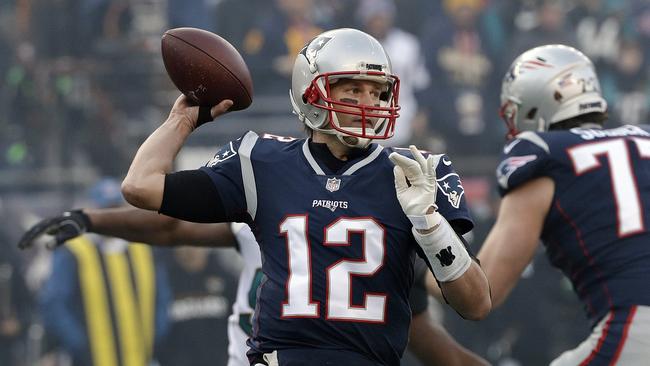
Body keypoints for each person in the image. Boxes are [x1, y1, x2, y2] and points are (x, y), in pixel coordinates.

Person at [120, 27, 490, 365]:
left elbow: (475, 304)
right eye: (353, 90)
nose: (369, 103)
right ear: (310, 91)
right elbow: (141, 186)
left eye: (378, 92)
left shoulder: (416, 173)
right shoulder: (260, 161)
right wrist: (182, 121)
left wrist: (430, 225)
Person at [19, 206, 490, 366]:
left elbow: (440, 351)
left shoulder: (379, 246)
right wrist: (92, 220)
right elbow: (174, 226)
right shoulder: (264, 217)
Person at [475, 44, 650, 365]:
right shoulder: (644, 137)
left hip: (637, 327)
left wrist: (427, 251)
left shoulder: (544, 151)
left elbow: (483, 293)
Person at [37, 178, 172, 366]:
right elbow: (56, 303)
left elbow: (162, 298)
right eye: (105, 210)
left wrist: (154, 336)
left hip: (140, 357)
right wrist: (81, 343)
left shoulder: (143, 248)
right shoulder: (75, 252)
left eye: (115, 209)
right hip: (91, 358)